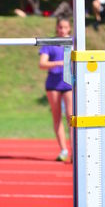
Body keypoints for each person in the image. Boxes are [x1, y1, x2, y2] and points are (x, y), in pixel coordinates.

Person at [39, 18, 73, 162]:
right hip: (53, 83)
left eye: (65, 27)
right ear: (56, 28)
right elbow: (42, 64)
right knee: (57, 116)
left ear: (70, 28)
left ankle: (75, 150)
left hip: (68, 83)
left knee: (72, 117)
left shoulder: (74, 43)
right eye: (60, 27)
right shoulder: (49, 43)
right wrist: (60, 63)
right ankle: (64, 150)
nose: (62, 30)